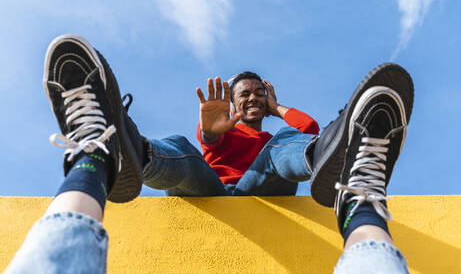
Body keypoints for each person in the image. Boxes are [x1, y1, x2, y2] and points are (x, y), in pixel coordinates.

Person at [5, 35, 413, 273]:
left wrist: (274, 108)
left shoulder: (278, 139)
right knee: (183, 147)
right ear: (231, 103)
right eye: (244, 95)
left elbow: (309, 132)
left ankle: (108, 152)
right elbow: (207, 143)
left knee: (281, 147)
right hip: (210, 190)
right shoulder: (222, 130)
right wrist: (213, 128)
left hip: (263, 187)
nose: (252, 99)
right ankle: (129, 153)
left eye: (258, 93)